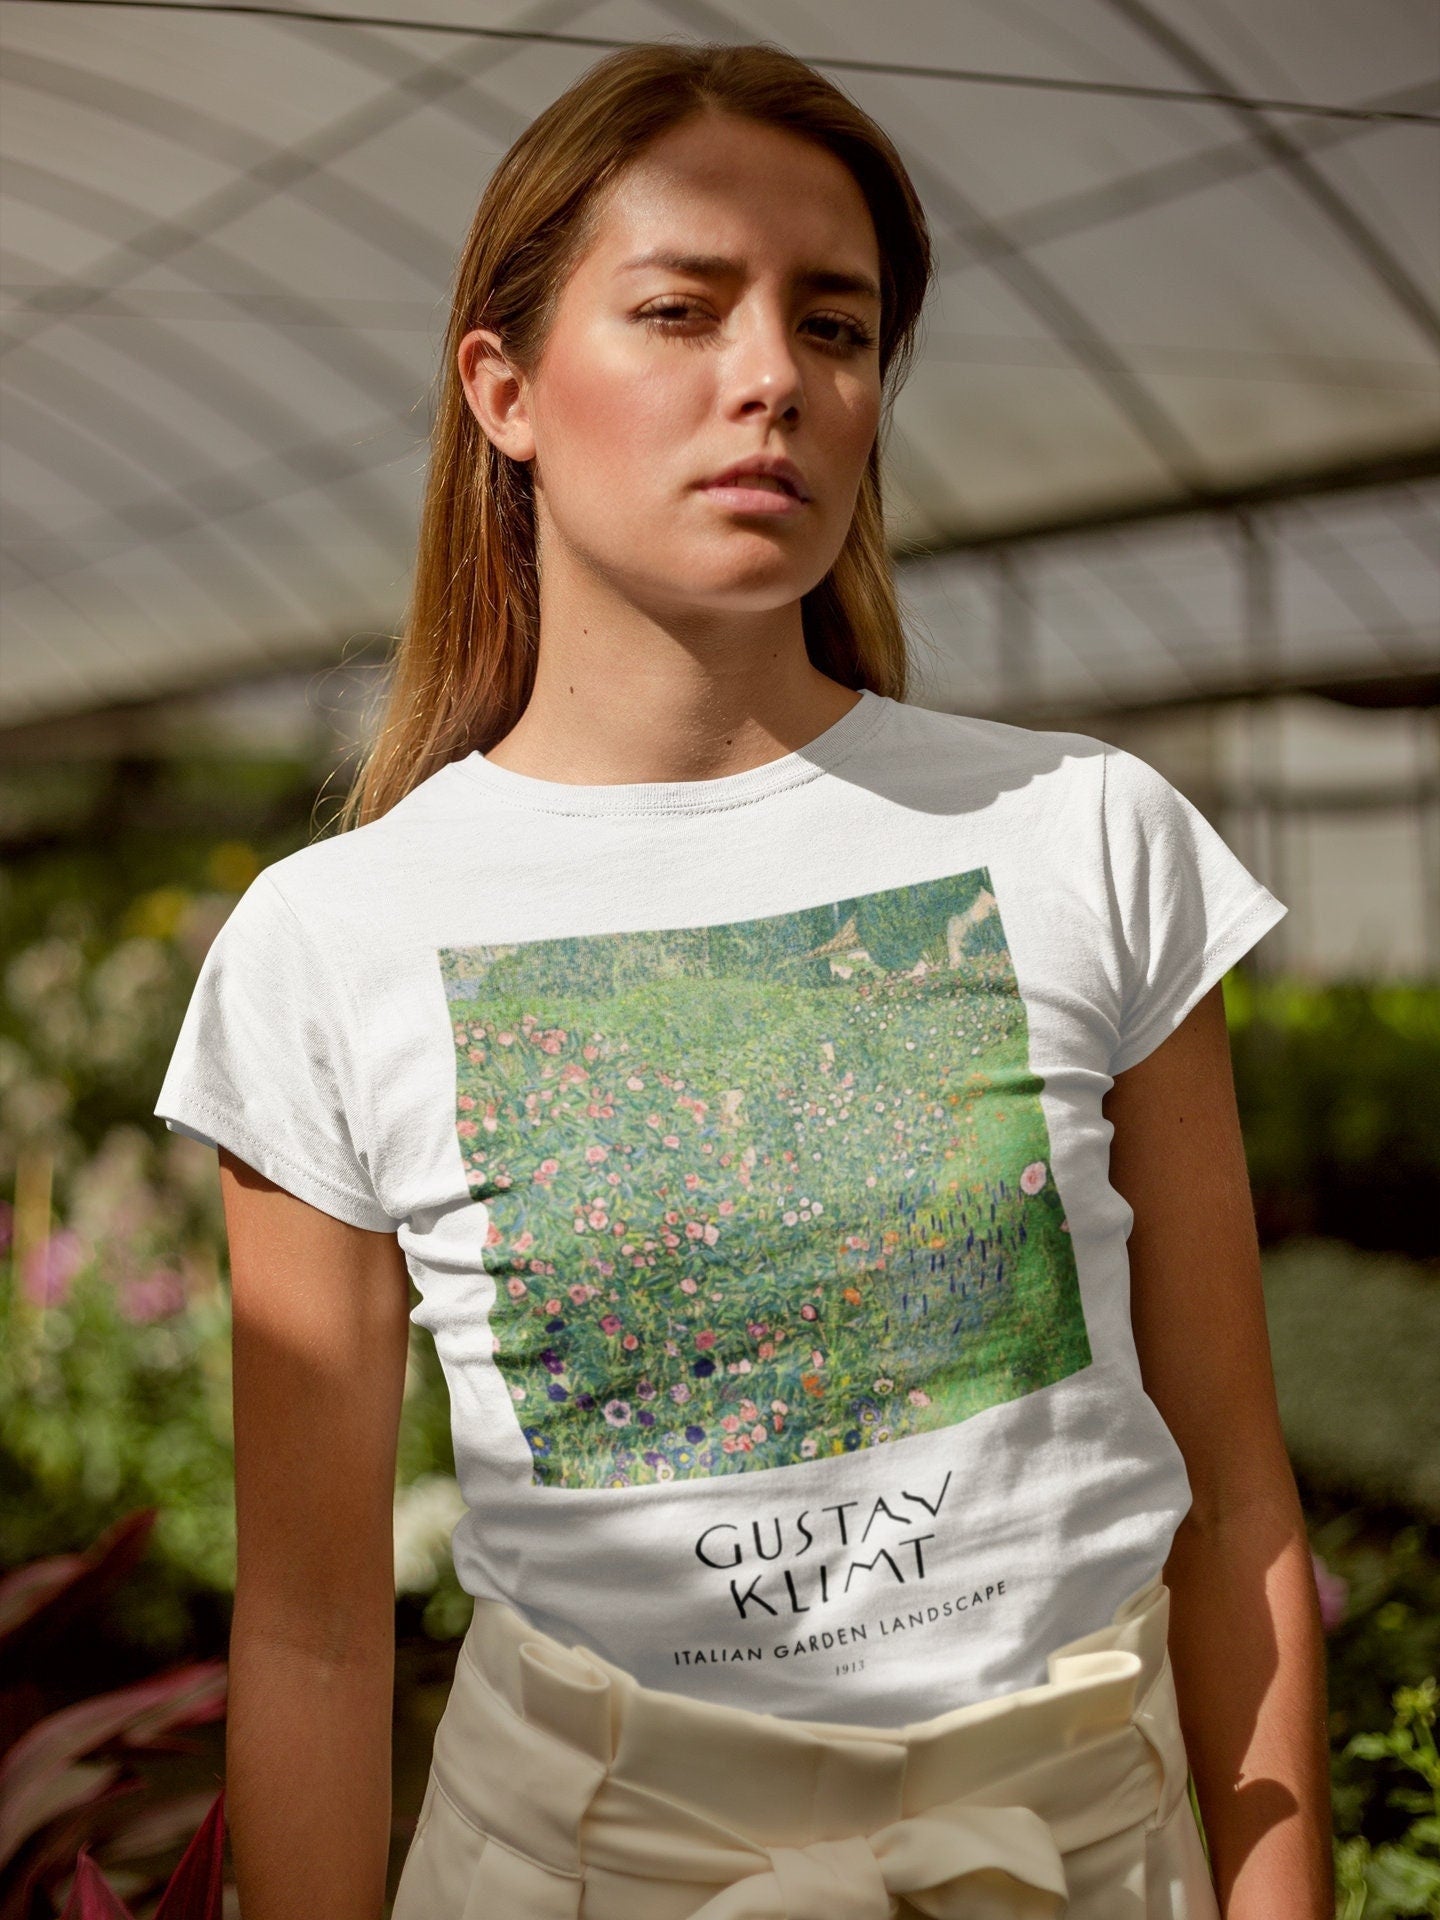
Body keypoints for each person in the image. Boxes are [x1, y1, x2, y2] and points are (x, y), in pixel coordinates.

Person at [152, 38, 1334, 1920]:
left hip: (1086, 1870)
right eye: (682, 310)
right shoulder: (332, 941)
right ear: (504, 389)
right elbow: (310, 1634)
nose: (773, 375)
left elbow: (1238, 1496)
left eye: (836, 326)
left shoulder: (1084, 834)